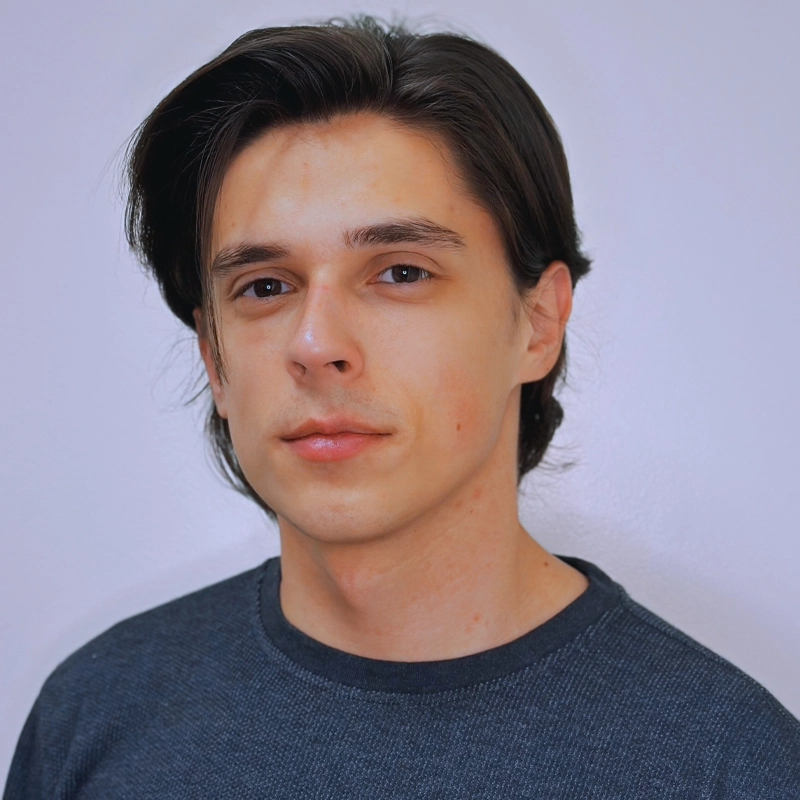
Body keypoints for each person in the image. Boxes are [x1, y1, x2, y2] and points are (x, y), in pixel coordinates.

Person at [4, 15, 799, 799]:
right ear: (215, 360)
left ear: (538, 322)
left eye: (401, 272)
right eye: (265, 287)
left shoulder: (726, 766)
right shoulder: (96, 714)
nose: (315, 343)